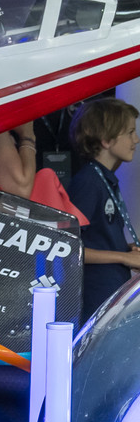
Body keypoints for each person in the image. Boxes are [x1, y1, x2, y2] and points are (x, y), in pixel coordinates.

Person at [66, 98, 140, 321]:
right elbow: (69, 248)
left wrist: (125, 248)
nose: (136, 139)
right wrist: (124, 257)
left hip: (110, 288)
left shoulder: (105, 179)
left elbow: (95, 237)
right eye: (130, 132)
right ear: (106, 140)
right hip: (95, 294)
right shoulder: (89, 182)